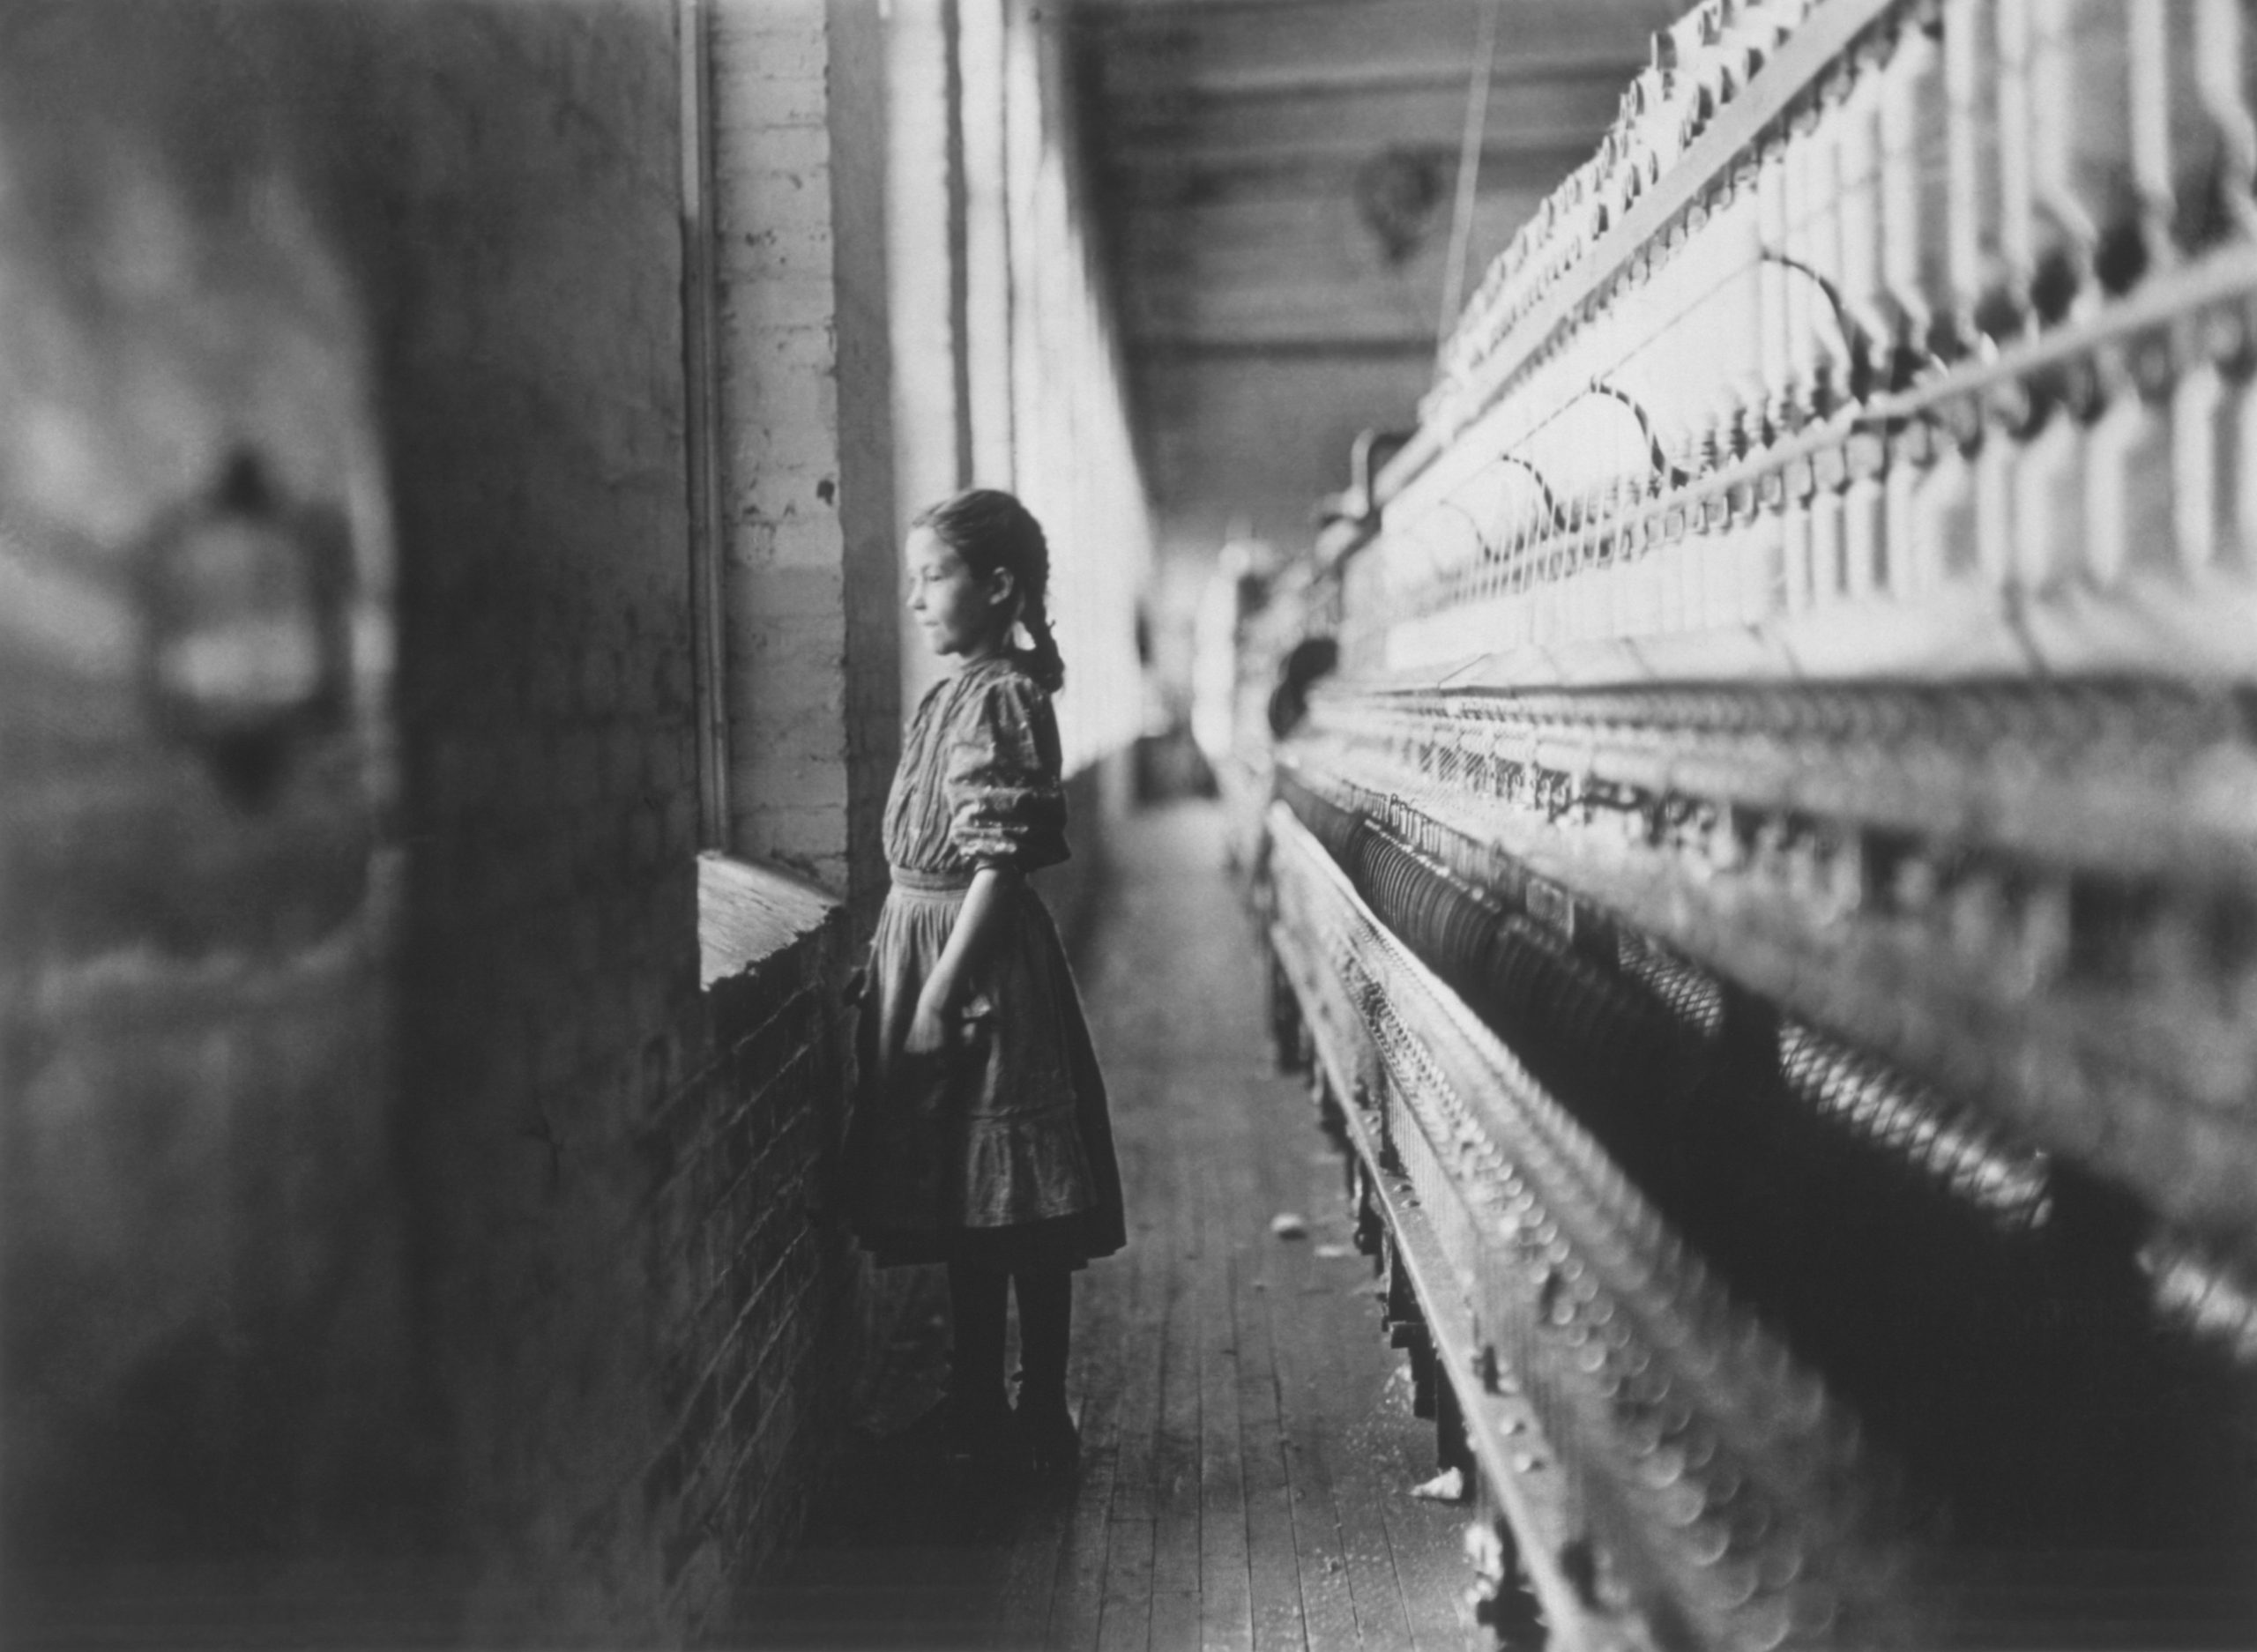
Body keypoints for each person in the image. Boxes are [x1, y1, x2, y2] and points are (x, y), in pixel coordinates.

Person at [844, 487, 1126, 1474]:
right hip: (932, 938)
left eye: (934, 576)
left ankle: (1040, 1412)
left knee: (1023, 1196)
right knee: (968, 1192)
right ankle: (972, 1398)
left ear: (996, 584)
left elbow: (999, 857)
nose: (917, 597)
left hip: (978, 961)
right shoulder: (958, 687)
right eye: (915, 578)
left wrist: (937, 988)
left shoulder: (1002, 691)